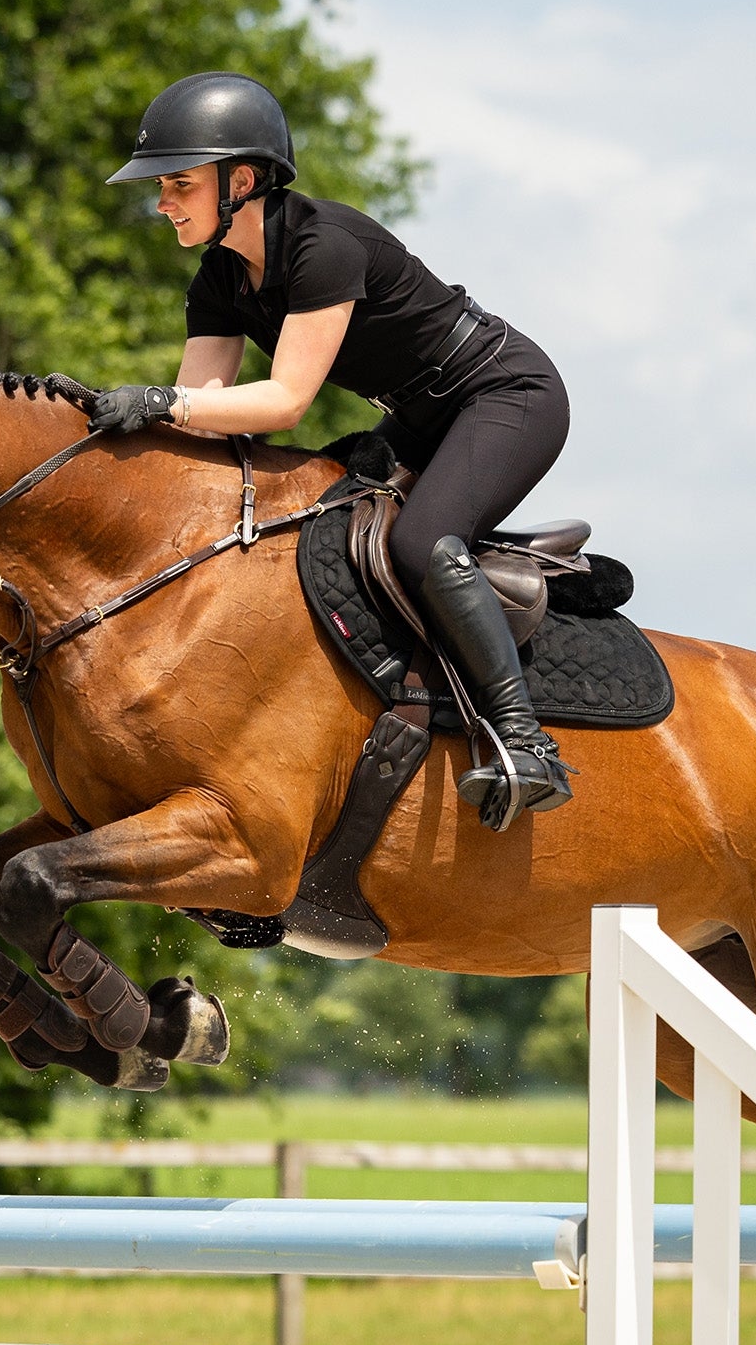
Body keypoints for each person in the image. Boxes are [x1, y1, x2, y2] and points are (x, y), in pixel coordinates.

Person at [97, 72, 573, 828]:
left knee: (420, 544)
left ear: (241, 182)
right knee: (323, 522)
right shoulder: (219, 277)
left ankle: (525, 742)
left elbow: (285, 401)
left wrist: (158, 401)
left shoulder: (324, 245)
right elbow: (202, 416)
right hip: (420, 414)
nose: (162, 203)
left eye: (179, 184)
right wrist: (99, 421)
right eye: (163, 187)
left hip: (505, 395)